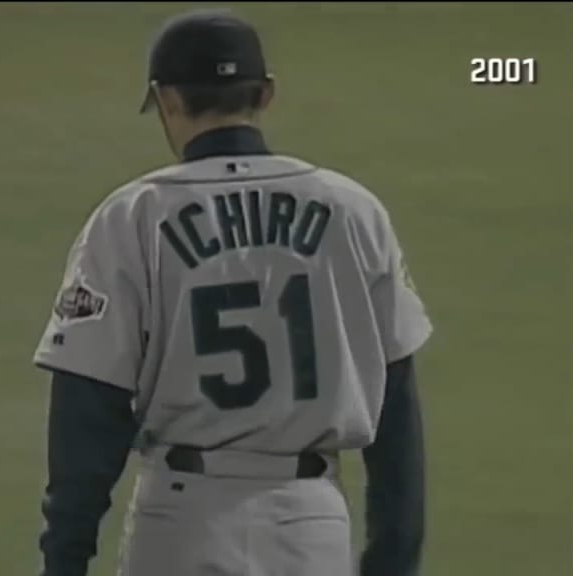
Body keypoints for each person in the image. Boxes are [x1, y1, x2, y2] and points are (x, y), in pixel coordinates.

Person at [32, 9, 432, 576]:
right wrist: (394, 559)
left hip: (179, 521)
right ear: (265, 94)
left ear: (167, 100)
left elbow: (86, 412)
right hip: (310, 523)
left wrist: (63, 562)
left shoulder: (130, 217)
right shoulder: (353, 212)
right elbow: (396, 418)